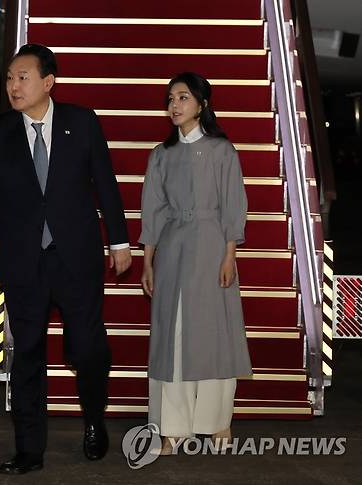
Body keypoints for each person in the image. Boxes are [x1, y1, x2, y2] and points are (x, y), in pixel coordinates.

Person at [0, 44, 132, 474]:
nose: (13, 86)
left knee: (87, 348)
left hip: (75, 258)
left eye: (22, 77)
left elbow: (105, 183)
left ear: (48, 82)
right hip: (23, 260)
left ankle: (93, 422)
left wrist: (119, 241)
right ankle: (29, 449)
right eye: (9, 78)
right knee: (27, 355)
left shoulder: (81, 121)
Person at [139, 72, 252, 454]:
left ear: (202, 104)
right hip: (172, 249)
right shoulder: (161, 154)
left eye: (183, 97)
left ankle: (218, 423)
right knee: (172, 337)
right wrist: (148, 261)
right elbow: (152, 210)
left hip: (212, 247)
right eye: (171, 98)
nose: (174, 105)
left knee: (213, 336)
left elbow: (233, 204)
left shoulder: (222, 151)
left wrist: (230, 254)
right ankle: (172, 430)